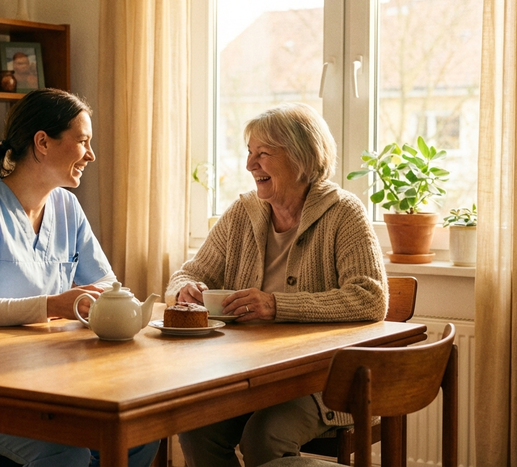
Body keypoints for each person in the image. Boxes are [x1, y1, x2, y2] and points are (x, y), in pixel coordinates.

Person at [0, 88, 160, 467]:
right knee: (66, 452)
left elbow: (107, 284)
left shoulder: (66, 205)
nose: (90, 155)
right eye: (83, 142)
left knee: (139, 437)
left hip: (45, 382)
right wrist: (53, 305)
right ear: (42, 142)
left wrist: (93, 297)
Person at [166, 102, 388, 467]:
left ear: (301, 157)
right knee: (196, 429)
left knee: (264, 438)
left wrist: (276, 305)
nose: (251, 165)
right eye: (250, 153)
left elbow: (370, 298)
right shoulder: (243, 212)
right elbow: (187, 273)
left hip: (324, 382)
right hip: (251, 375)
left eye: (263, 154)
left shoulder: (344, 212)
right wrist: (185, 290)